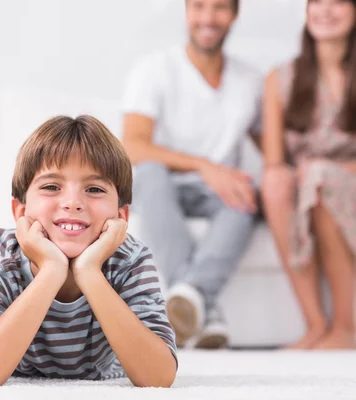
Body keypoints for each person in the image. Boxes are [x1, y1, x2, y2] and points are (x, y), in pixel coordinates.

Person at [0, 115, 177, 387]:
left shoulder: (130, 260)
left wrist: (90, 272)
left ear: (121, 216)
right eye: (51, 187)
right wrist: (51, 271)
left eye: (94, 189)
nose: (72, 202)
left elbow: (159, 377)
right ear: (20, 212)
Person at [121, 0, 262, 349]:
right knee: (151, 173)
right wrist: (205, 166)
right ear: (186, 12)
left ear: (234, 14)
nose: (208, 18)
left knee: (244, 194)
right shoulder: (155, 69)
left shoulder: (250, 80)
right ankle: (206, 308)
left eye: (219, 8)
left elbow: (275, 150)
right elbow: (133, 146)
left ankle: (192, 297)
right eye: (199, 6)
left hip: (217, 193)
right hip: (162, 187)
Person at [261, 0, 356, 350]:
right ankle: (316, 323)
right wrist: (306, 175)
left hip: (346, 180)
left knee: (320, 177)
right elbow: (274, 161)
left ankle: (346, 327)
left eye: (338, 2)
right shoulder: (281, 78)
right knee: (274, 184)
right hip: (306, 184)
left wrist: (327, 171)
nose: (325, 10)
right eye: (317, 2)